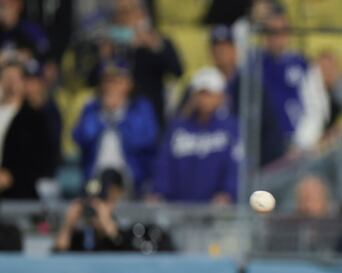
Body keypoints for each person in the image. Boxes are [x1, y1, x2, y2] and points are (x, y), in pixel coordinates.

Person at [151, 67, 240, 204]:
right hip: (177, 208)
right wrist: (159, 191)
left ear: (220, 96)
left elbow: (235, 165)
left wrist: (228, 192)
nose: (204, 99)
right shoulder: (177, 127)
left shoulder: (230, 127)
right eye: (201, 93)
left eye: (209, 94)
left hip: (217, 212)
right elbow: (164, 163)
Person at [72, 59, 159, 196]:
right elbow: (82, 137)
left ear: (129, 84)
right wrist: (103, 114)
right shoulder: (92, 108)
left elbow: (143, 139)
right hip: (95, 179)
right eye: (107, 81)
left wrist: (119, 116)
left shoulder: (141, 108)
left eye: (117, 81)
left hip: (132, 180)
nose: (111, 87)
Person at [89, 0, 183, 125]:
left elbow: (177, 71)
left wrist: (154, 46)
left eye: (130, 11)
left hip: (149, 115)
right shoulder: (109, 45)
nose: (125, 19)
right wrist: (104, 57)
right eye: (120, 13)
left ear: (142, 14)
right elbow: (91, 81)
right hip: (112, 116)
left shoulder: (158, 42)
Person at [258, 13, 328, 165]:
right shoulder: (254, 64)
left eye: (282, 31)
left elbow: (317, 108)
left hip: (295, 146)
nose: (277, 37)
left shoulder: (302, 64)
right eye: (272, 32)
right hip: (260, 146)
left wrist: (301, 143)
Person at [0, 59, 55, 200]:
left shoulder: (34, 118)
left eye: (15, 78)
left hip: (18, 192)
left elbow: (42, 158)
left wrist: (12, 175)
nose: (11, 83)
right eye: (6, 77)